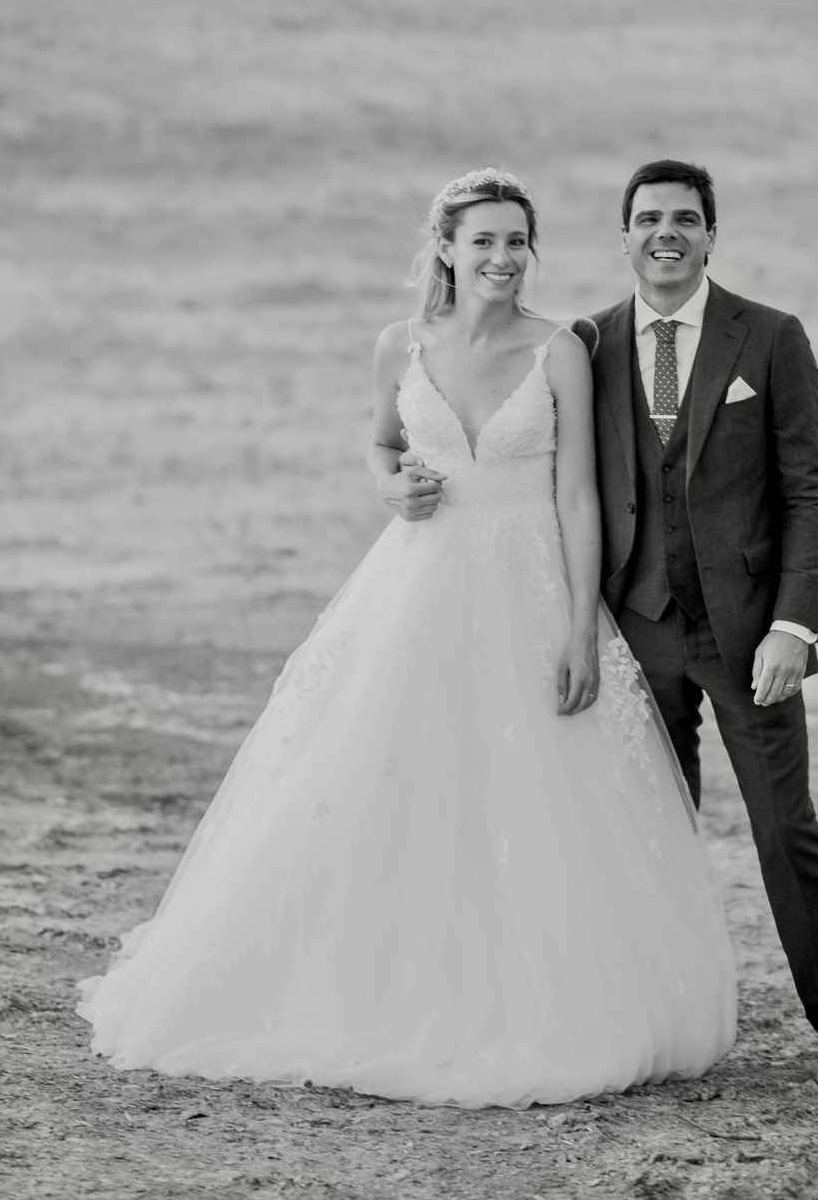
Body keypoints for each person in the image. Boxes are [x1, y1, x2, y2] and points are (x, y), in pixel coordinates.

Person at [78, 168, 736, 1108]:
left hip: (531, 585)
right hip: (416, 584)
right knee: (387, 776)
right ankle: (379, 983)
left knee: (535, 791)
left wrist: (582, 625)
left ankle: (536, 995)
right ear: (446, 248)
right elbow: (384, 446)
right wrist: (391, 486)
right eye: (484, 242)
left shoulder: (562, 349)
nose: (503, 259)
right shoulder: (400, 345)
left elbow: (579, 493)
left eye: (517, 242)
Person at [574, 159, 818, 1086]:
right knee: (646, 827)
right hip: (636, 627)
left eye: (686, 219)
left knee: (785, 825)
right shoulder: (588, 343)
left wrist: (797, 624)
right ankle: (656, 1017)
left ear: (713, 234)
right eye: (649, 218)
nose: (667, 233)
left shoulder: (772, 338)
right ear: (623, 235)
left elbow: (808, 490)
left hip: (749, 634)